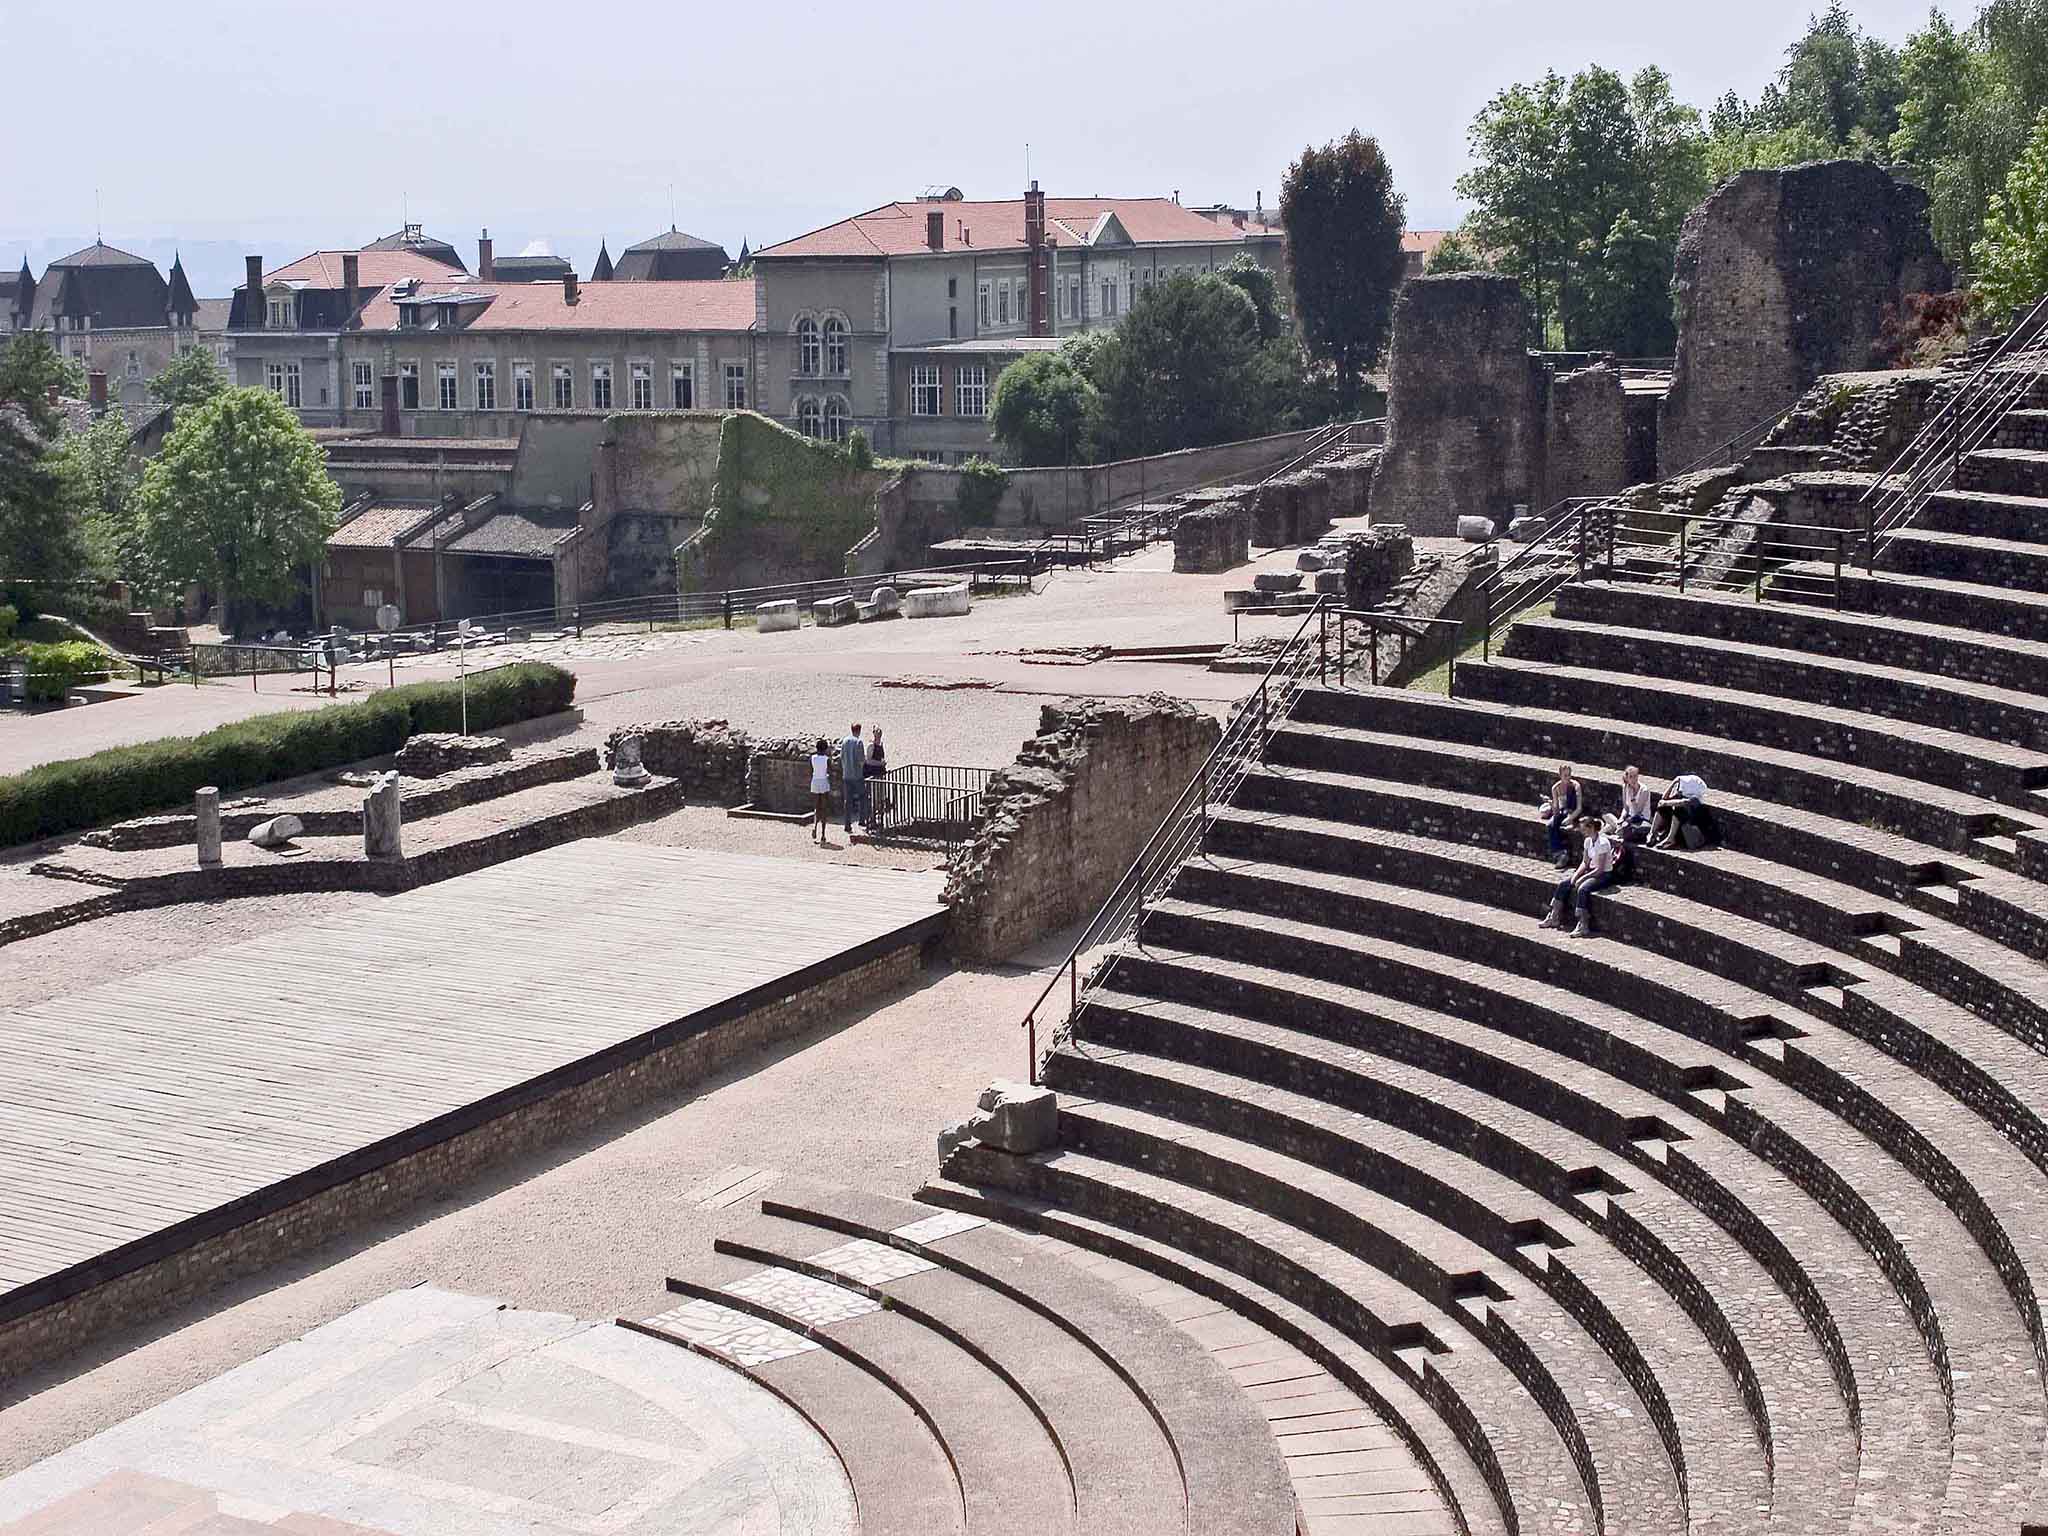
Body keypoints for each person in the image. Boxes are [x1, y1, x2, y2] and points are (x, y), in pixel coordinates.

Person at [1541, 813, 1618, 937]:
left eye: (1584, 828)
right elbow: (1585, 862)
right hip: (1592, 871)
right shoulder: (1588, 841)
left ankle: (1583, 924)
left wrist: (1583, 878)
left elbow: (1600, 869)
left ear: (1591, 828)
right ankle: (1554, 916)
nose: (1582, 831)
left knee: (1582, 889)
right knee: (1564, 884)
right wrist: (1576, 875)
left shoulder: (1603, 843)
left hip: (1604, 875)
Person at [1651, 772, 1713, 850]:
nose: (1679, 788)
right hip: (1682, 831)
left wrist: (1666, 803)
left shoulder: (1695, 800)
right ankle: (1652, 833)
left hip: (1692, 835)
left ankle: (1670, 839)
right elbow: (1664, 799)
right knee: (1662, 807)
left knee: (1678, 809)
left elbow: (1683, 802)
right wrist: (1674, 782)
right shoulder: (1681, 795)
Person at [1538, 764, 1584, 867]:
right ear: (1560, 775)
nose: (1568, 778)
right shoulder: (1555, 788)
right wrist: (1551, 803)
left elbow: (1579, 807)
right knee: (1550, 825)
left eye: (1569, 775)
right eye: (1565, 775)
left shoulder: (1575, 786)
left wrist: (1570, 818)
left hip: (1573, 811)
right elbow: (1556, 811)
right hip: (1563, 811)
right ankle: (1560, 853)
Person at [840, 722, 868, 834]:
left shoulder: (845, 741)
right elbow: (861, 760)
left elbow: (841, 757)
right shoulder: (858, 742)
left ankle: (847, 824)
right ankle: (862, 820)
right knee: (863, 797)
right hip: (857, 775)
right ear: (859, 730)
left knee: (848, 800)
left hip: (846, 775)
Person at [1617, 766, 1655, 845]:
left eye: (1635, 776)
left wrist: (1632, 798)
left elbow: (1638, 812)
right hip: (1630, 817)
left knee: (1623, 831)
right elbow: (1626, 808)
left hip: (1641, 818)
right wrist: (1621, 818)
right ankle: (1614, 825)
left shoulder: (1644, 790)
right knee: (1608, 817)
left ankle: (1609, 827)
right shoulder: (1625, 787)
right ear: (1627, 778)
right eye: (1631, 777)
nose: (1633, 779)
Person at [809, 737, 832, 845]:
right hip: (823, 782)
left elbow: (811, 771)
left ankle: (814, 827)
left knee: (816, 807)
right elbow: (830, 771)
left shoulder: (812, 758)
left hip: (815, 782)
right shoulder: (827, 759)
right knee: (824, 808)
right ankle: (823, 834)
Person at [865, 725, 889, 826]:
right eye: (877, 734)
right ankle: (872, 819)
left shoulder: (880, 744)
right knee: (874, 798)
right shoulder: (871, 746)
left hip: (880, 774)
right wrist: (880, 764)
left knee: (880, 797)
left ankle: (878, 819)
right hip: (874, 774)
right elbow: (868, 761)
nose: (878, 736)